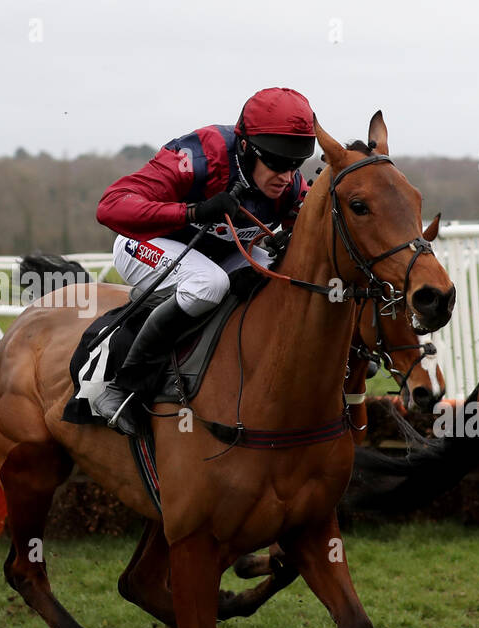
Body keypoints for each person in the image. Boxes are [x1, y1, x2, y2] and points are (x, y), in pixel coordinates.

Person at [90, 87, 316, 436]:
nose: (287, 177)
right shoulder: (200, 156)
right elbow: (110, 206)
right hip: (145, 245)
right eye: (276, 162)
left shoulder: (288, 185)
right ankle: (122, 387)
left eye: (295, 164)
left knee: (286, 280)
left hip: (217, 255)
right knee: (209, 284)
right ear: (245, 147)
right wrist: (192, 211)